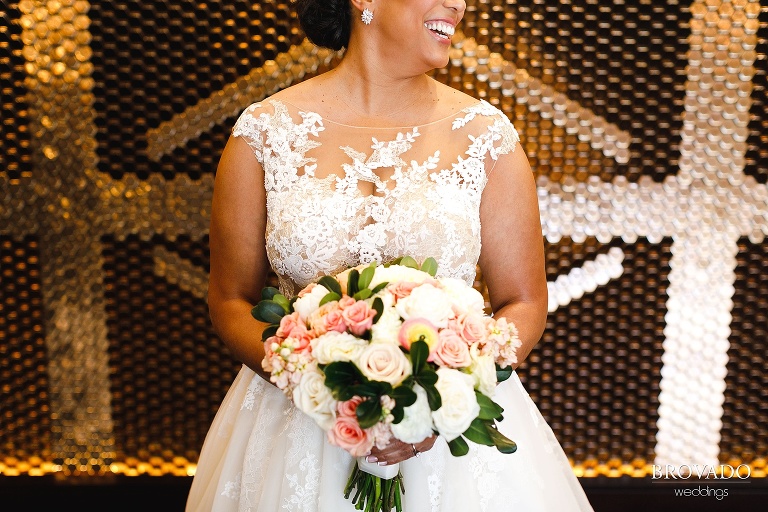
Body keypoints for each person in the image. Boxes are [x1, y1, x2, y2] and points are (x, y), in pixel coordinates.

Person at [187, 0, 593, 510]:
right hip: (295, 426)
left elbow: (524, 301)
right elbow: (230, 299)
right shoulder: (264, 133)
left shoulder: (487, 137)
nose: (458, 4)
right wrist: (317, 382)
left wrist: (438, 400)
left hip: (451, 446)